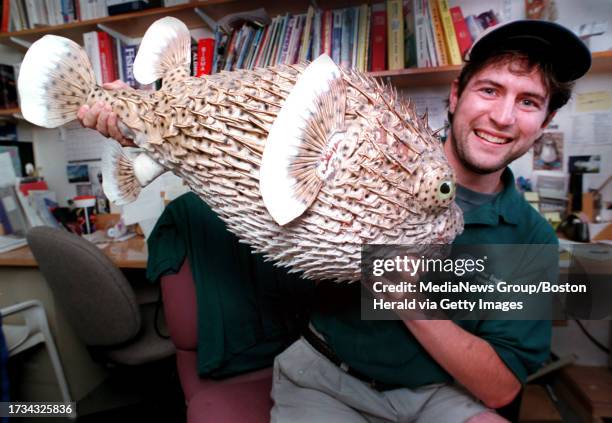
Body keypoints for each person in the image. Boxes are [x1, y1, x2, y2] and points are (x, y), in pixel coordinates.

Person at [78, 19, 591, 422]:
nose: (503, 117)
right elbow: (234, 180)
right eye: (490, 90)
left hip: (438, 397)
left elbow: (502, 387)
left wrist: (401, 294)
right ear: (457, 94)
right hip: (321, 378)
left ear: (543, 123)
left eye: (528, 102)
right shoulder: (362, 150)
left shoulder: (530, 238)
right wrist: (144, 128)